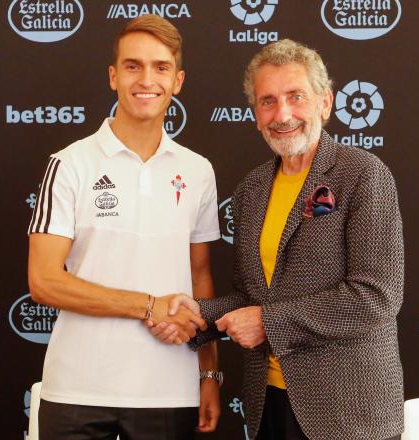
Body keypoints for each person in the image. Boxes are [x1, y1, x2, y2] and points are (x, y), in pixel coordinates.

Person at [151, 39, 404, 440]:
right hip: (266, 402)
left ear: (325, 103)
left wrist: (268, 323)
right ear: (255, 115)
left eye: (295, 97)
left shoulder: (362, 173)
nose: (282, 114)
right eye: (268, 101)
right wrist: (197, 315)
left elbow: (377, 296)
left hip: (347, 413)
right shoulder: (252, 189)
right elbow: (252, 298)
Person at [27, 14, 221, 440]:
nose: (146, 79)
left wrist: (209, 372)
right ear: (114, 76)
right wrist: (147, 304)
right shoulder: (70, 164)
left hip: (168, 391)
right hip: (77, 387)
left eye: (160, 67)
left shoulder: (198, 171)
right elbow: (44, 281)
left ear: (178, 81)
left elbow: (200, 276)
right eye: (133, 66)